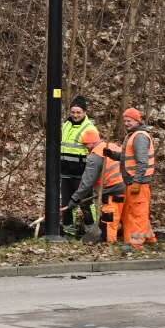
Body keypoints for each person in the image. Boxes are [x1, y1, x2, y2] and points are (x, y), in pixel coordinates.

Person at [67, 139, 125, 243]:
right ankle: (135, 241)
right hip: (129, 185)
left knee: (109, 218)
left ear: (93, 141)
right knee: (128, 216)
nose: (85, 147)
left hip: (113, 189)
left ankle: (109, 243)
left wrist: (75, 199)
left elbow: (87, 182)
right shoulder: (112, 146)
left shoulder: (95, 156)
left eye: (86, 144)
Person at [59, 96, 101, 234]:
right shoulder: (66, 125)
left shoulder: (89, 128)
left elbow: (95, 151)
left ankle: (92, 229)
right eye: (73, 112)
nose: (75, 115)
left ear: (84, 112)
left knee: (85, 202)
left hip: (81, 172)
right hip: (65, 171)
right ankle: (68, 229)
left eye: (78, 112)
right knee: (66, 201)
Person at [120, 106, 157, 251]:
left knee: (137, 214)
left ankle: (136, 244)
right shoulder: (133, 135)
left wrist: (136, 181)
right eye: (125, 120)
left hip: (138, 183)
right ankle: (149, 238)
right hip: (134, 181)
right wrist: (112, 154)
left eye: (129, 120)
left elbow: (142, 162)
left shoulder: (139, 137)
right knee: (137, 212)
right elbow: (128, 158)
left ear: (137, 120)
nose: (126, 123)